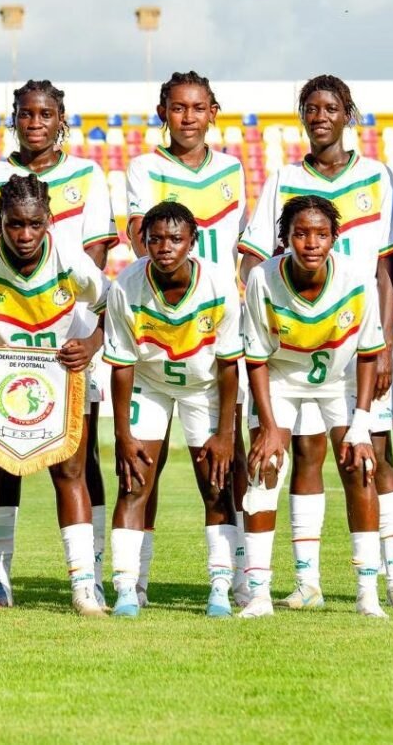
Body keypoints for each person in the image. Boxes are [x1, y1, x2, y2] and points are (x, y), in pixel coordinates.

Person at [238, 75, 393, 610]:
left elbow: (385, 270)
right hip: (295, 345)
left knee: (371, 456)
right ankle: (306, 581)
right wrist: (267, 304)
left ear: (347, 114)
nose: (320, 116)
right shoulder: (283, 178)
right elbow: (252, 256)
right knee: (305, 453)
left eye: (331, 107)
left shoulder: (378, 176)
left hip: (358, 342)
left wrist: (383, 344)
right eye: (310, 108)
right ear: (302, 116)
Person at [0, 79, 118, 609]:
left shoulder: (89, 175)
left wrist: (67, 316)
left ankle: (90, 574)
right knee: (0, 458)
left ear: (61, 119)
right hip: (7, 343)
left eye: (46, 114)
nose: (35, 123)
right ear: (15, 119)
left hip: (69, 341)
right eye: (26, 114)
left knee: (82, 459)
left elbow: (96, 256)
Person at [0, 173, 109, 617]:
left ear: (49, 221)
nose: (25, 234)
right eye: (15, 224)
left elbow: (110, 305)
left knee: (70, 473)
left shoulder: (70, 257)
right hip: (0, 372)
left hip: (60, 370)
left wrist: (91, 346)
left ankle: (83, 589)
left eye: (35, 225)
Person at [125, 71, 249, 607]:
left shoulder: (232, 170)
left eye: (199, 107)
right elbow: (138, 236)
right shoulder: (143, 168)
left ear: (213, 111)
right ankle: (134, 585)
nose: (189, 117)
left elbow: (239, 246)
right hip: (159, 318)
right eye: (179, 108)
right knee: (140, 474)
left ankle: (238, 578)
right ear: (163, 112)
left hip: (216, 323)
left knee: (224, 468)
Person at [241, 195, 387, 619]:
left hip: (339, 382)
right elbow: (255, 358)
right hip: (281, 378)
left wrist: (361, 425)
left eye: (321, 234)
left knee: (360, 465)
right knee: (264, 468)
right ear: (285, 238)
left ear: (334, 239)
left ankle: (367, 593)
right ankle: (260, 594)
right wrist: (268, 427)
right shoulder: (262, 279)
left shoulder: (358, 280)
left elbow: (367, 354)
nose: (310, 243)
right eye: (300, 233)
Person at [105, 202, 242, 618]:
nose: (165, 247)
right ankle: (129, 587)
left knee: (216, 484)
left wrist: (225, 433)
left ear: (192, 243)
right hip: (150, 384)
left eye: (176, 239)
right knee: (134, 483)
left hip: (204, 388)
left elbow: (228, 365)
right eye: (156, 239)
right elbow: (122, 368)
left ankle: (221, 585)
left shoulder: (219, 284)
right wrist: (123, 435)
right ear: (143, 242)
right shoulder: (126, 286)